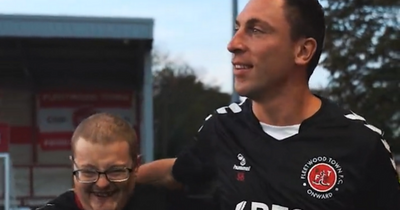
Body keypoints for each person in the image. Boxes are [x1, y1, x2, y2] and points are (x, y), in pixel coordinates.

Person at [136, 0, 400, 209]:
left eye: (255, 30)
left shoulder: (362, 144)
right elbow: (176, 172)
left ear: (303, 51)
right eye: (237, 28)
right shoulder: (222, 127)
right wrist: (109, 176)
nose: (233, 44)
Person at [36, 113, 166, 210]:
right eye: (88, 172)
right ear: (73, 167)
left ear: (136, 166)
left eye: (115, 171)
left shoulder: (163, 204)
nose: (102, 183)